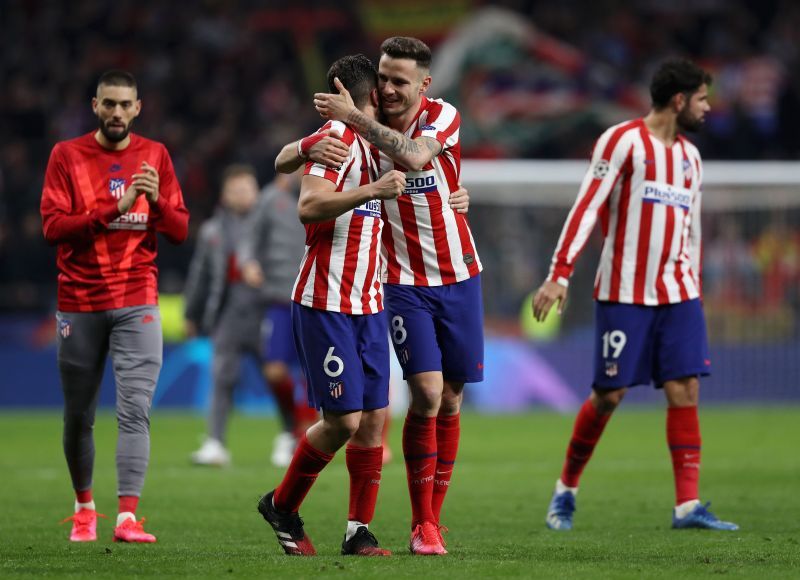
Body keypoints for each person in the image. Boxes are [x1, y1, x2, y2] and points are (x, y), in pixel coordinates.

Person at [530, 59, 738, 532]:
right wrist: (558, 274)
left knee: (686, 388)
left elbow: (692, 229)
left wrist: (697, 289)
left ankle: (687, 507)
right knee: (609, 394)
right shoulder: (622, 141)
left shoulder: (692, 157)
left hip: (679, 292)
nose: (708, 108)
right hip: (625, 291)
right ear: (680, 100)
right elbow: (588, 205)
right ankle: (565, 491)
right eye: (703, 99)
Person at [313, 37, 484, 555]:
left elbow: (414, 156)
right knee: (428, 393)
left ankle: (437, 517)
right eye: (383, 77)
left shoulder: (443, 116)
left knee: (452, 397)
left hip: (461, 273)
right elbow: (307, 158)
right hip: (402, 282)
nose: (386, 88)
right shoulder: (360, 130)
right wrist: (307, 144)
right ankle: (422, 523)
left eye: (399, 81)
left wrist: (459, 190)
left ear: (424, 85)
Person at [257, 54, 406, 557]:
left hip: (369, 301)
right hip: (326, 299)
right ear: (365, 90)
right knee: (343, 419)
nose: (392, 92)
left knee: (374, 419)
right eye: (385, 84)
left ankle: (357, 531)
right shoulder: (336, 140)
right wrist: (372, 189)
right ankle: (282, 505)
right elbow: (308, 206)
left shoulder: (379, 140)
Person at [40, 70, 189, 543]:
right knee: (79, 416)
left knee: (135, 410)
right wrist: (117, 206)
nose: (118, 113)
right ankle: (85, 508)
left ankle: (127, 518)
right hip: (79, 300)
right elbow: (53, 228)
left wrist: (156, 202)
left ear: (138, 107)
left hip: (137, 298)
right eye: (109, 104)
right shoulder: (66, 155)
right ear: (95, 105)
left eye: (126, 104)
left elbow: (180, 229)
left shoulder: (156, 155)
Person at [184, 163, 289, 467]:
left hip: (268, 309)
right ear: (225, 195)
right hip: (229, 312)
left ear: (257, 192)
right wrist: (193, 313)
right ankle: (215, 443)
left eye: (247, 188)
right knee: (221, 378)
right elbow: (199, 275)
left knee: (278, 377)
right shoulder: (212, 231)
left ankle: (290, 436)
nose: (242, 195)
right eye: (236, 190)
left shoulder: (275, 223)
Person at [238, 170, 319, 467]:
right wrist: (248, 263)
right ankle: (292, 427)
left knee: (313, 373)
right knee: (274, 371)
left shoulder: (321, 193)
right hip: (279, 300)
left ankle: (306, 436)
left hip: (316, 298)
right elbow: (249, 238)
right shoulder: (269, 200)